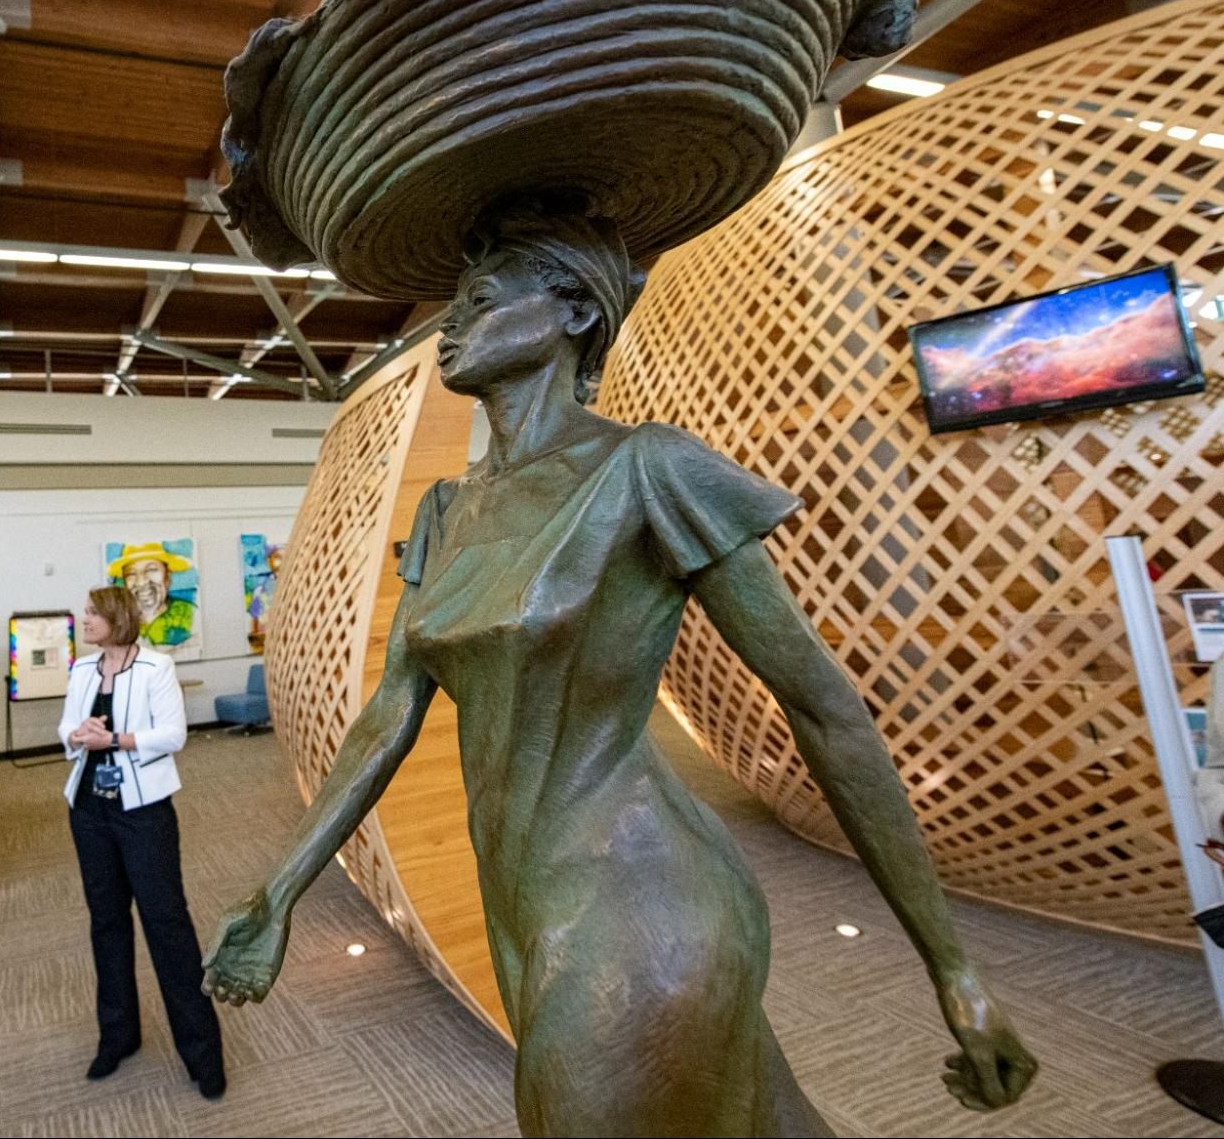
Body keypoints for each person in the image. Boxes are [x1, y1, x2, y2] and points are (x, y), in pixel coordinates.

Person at [202, 203, 1037, 1135]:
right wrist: (279, 886)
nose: (449, 323)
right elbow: (391, 706)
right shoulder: (446, 508)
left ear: (570, 313)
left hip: (642, 900)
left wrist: (950, 966)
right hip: (523, 906)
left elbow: (825, 709)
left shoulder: (648, 468)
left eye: (479, 299)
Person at [58, 586, 224, 1098]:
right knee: (106, 922)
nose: (83, 619)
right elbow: (64, 726)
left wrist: (118, 741)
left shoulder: (156, 668)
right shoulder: (82, 670)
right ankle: (118, 1036)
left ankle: (203, 1055)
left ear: (115, 618)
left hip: (144, 813)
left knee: (167, 924)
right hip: (89, 810)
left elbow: (174, 735)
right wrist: (77, 732)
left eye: (91, 612)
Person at [104, 543, 197, 649]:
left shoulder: (189, 614)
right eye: (131, 574)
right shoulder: (118, 622)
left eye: (151, 570)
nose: (141, 582)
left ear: (167, 577)